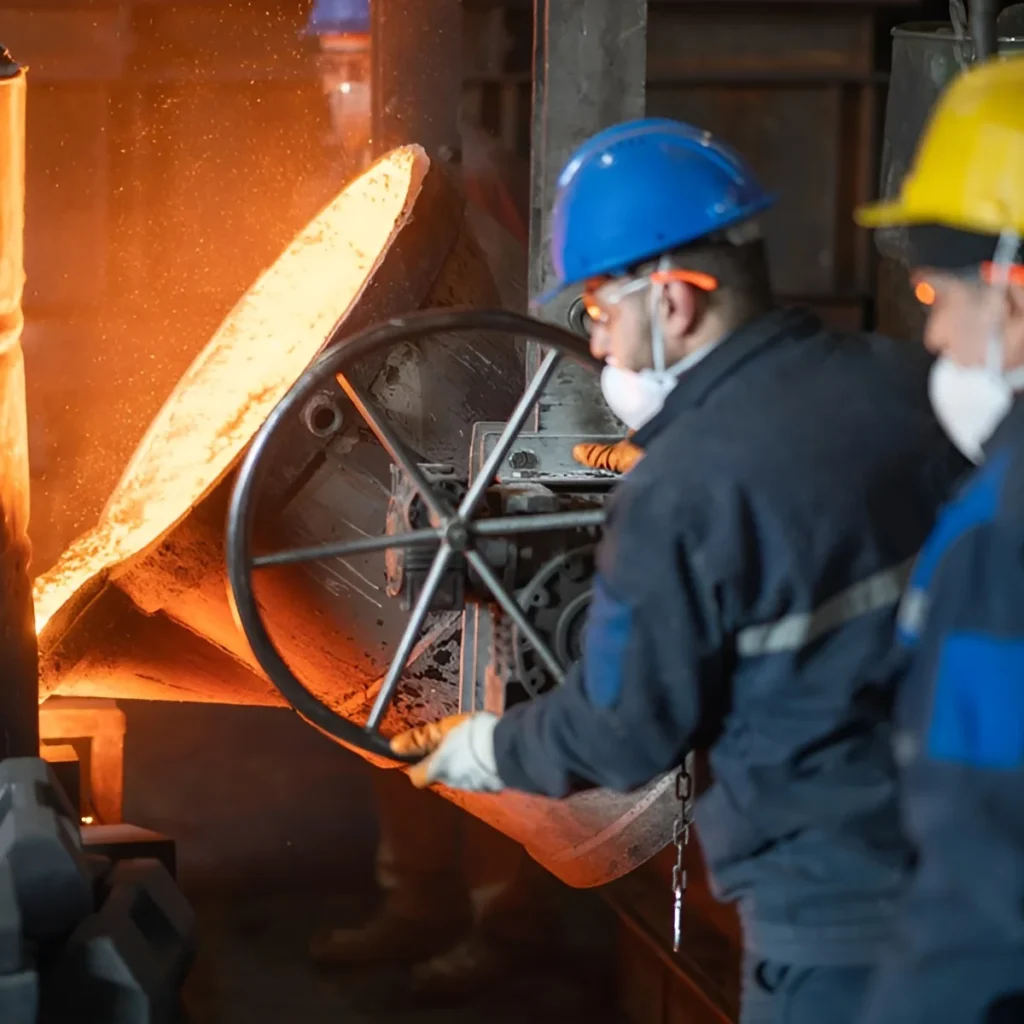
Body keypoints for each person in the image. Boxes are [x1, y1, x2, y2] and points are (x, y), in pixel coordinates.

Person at [391, 117, 968, 1024]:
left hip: (839, 922)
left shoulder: (683, 493)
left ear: (672, 301)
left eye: (600, 313)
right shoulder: (912, 383)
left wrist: (492, 746)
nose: (601, 345)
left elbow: (623, 736)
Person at [302, 1, 553, 998]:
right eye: (325, 62)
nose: (337, 83)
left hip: (469, 465)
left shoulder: (461, 166)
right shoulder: (342, 177)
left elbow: (508, 308)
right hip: (376, 469)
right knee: (385, 687)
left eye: (356, 60)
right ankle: (416, 901)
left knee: (472, 687)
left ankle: (506, 915)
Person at [852, 56, 1024, 1024]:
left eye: (934, 299)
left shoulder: (1003, 532)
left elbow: (984, 856)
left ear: (1007, 289)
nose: (931, 337)